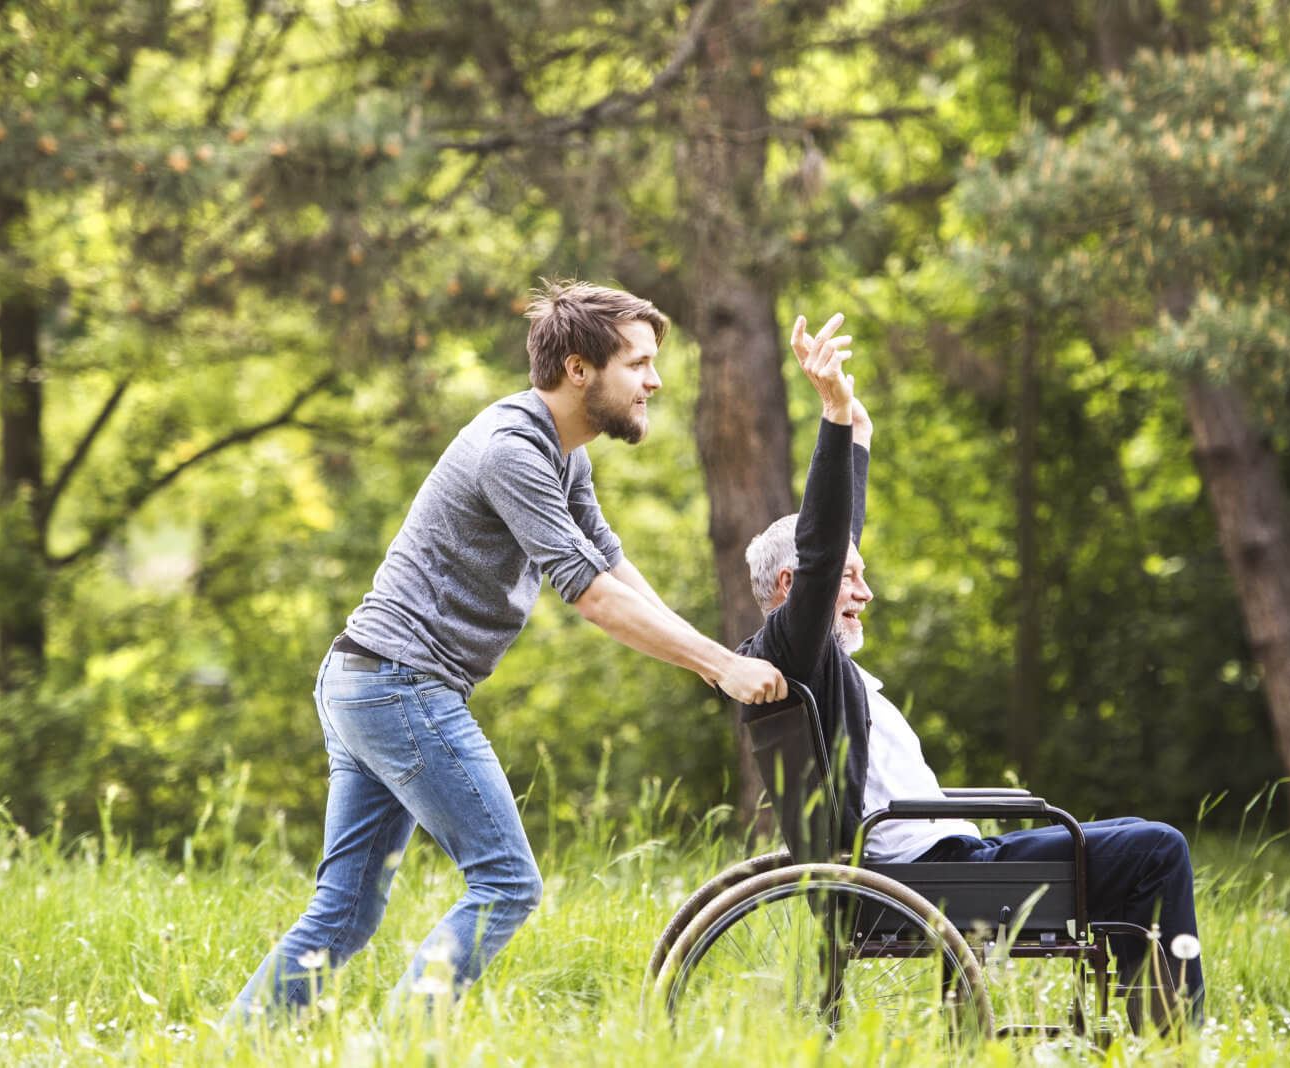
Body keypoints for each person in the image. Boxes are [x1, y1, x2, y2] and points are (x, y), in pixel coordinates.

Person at [229, 281, 787, 1020]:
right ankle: (403, 1050)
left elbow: (614, 565)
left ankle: (237, 1043)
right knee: (506, 883)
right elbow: (588, 594)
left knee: (347, 910)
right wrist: (721, 668)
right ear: (580, 368)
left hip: (365, 679)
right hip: (399, 683)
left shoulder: (562, 454)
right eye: (639, 363)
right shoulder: (511, 451)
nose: (655, 380)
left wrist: (720, 656)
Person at [738, 313, 1204, 1023]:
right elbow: (825, 543)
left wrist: (855, 430)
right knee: (1155, 852)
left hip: (941, 866)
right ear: (791, 589)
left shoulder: (810, 664)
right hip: (929, 882)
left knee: (1134, 834)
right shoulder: (796, 654)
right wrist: (833, 417)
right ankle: (1171, 1039)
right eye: (850, 577)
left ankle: (1143, 1026)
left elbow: (835, 536)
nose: (865, 591)